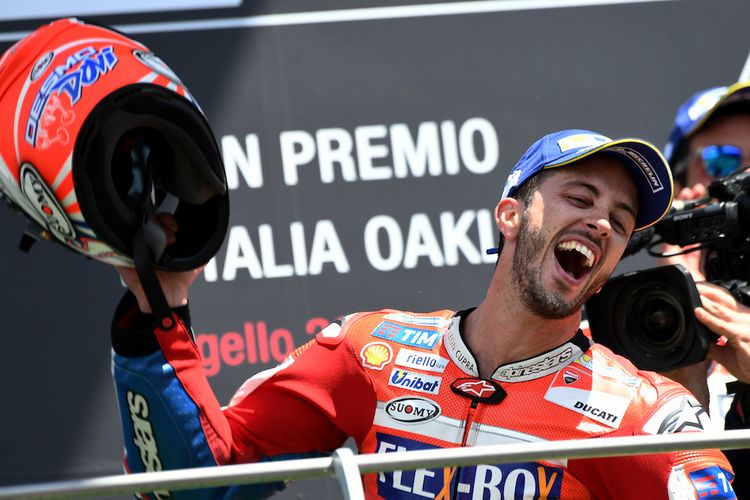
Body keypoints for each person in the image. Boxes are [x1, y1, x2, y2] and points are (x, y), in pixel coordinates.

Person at [113, 129, 736, 499]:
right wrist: (158, 305)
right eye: (579, 197)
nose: (601, 223)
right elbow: (194, 484)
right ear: (511, 215)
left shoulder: (641, 411)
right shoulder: (368, 350)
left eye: (621, 223)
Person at [661, 82, 750, 497]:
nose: (744, 179)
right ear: (678, 190)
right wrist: (678, 303)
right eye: (721, 161)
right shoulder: (610, 335)